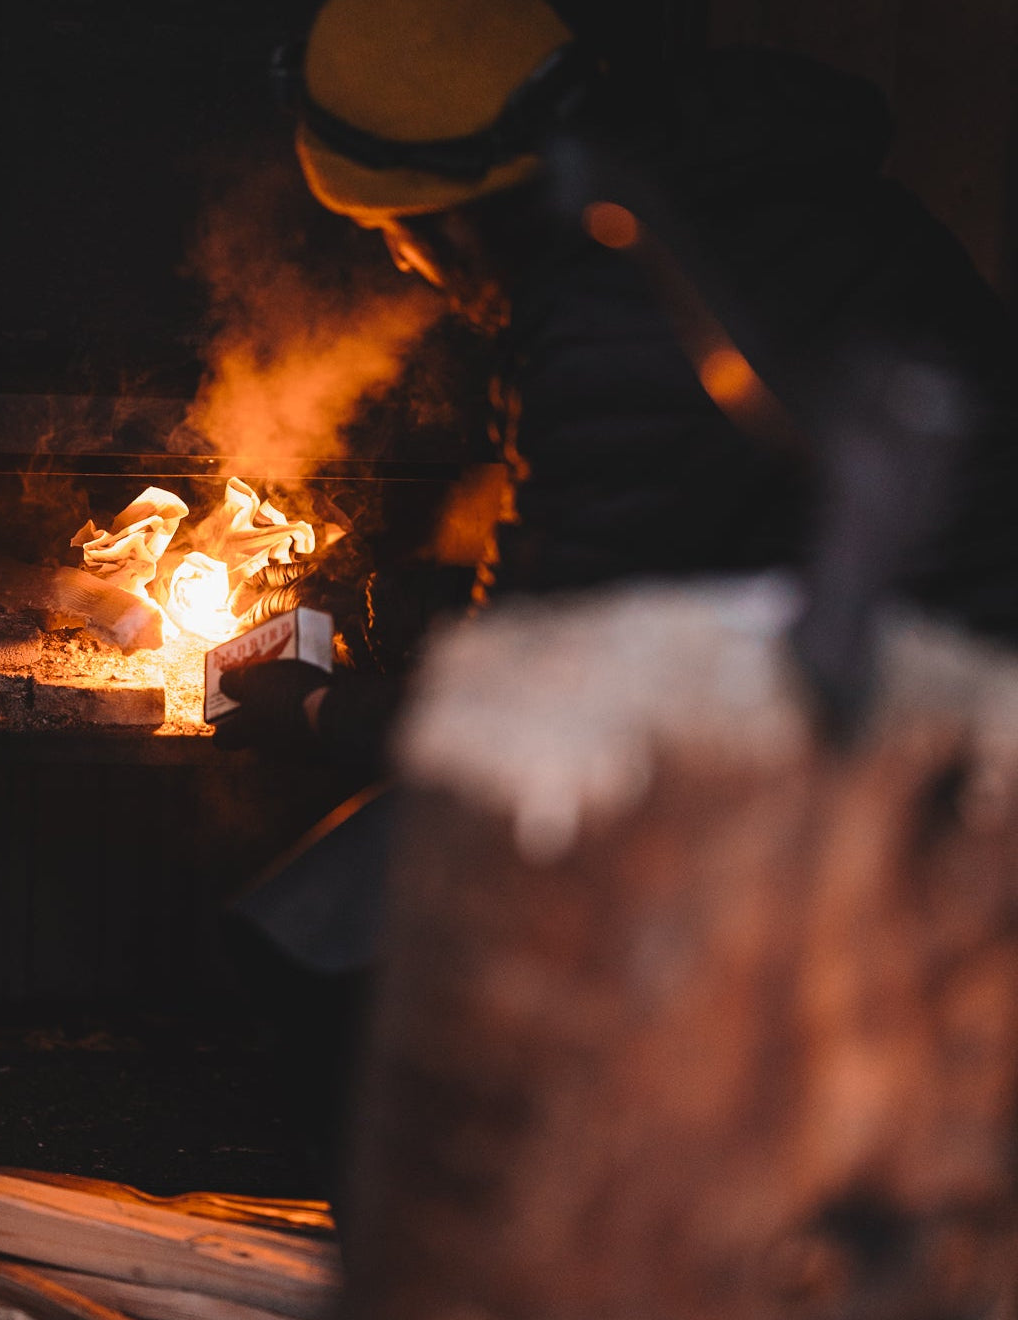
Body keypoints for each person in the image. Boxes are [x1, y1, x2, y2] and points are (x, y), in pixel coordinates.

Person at [218, 0, 1018, 1199]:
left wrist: (319, 712)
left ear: (453, 204)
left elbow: (530, 708)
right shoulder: (714, 180)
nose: (395, 260)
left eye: (393, 229)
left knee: (322, 942)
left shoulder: (615, 293)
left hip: (924, 748)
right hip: (881, 663)